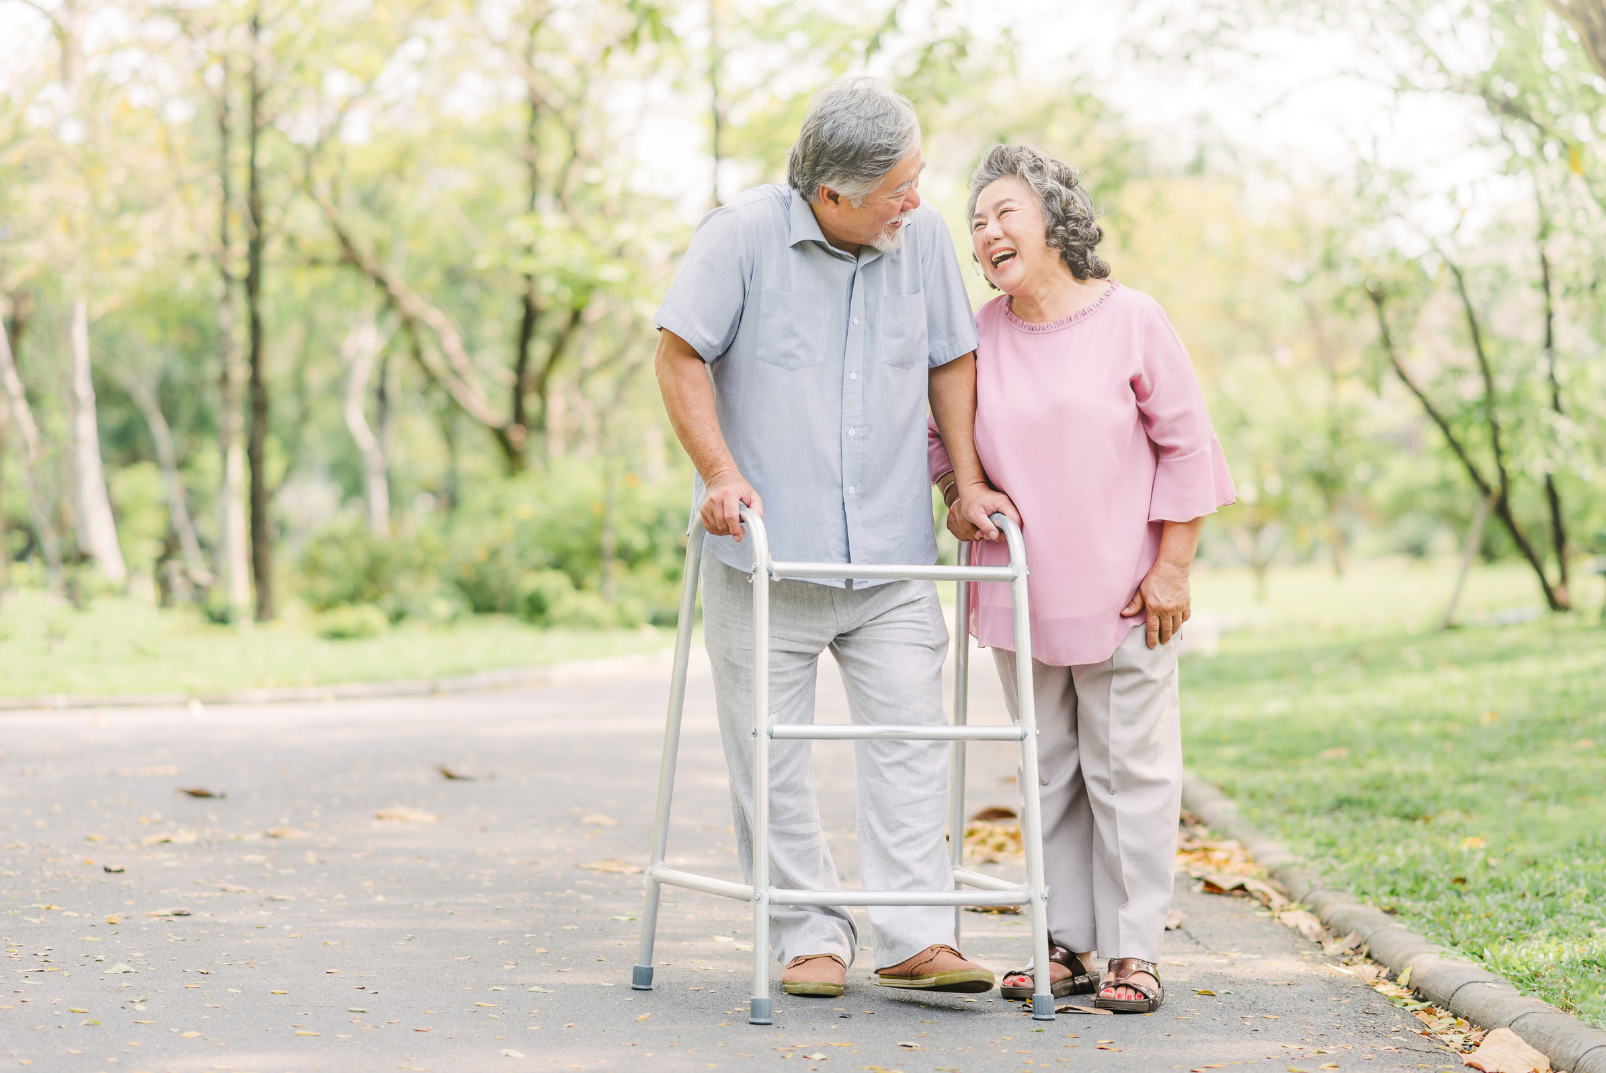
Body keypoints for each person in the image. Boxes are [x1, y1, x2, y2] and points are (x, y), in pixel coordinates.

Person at [653, 76, 1016, 1000]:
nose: (919, 200)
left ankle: (916, 935)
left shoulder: (921, 239)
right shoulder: (739, 236)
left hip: (891, 553)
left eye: (918, 176)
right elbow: (679, 351)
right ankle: (807, 932)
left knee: (911, 735)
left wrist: (965, 483)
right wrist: (718, 473)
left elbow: (951, 357)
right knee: (768, 753)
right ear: (832, 196)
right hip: (769, 556)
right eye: (899, 185)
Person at [928, 143, 1237, 1014]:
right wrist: (961, 490)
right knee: (1047, 769)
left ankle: (1135, 950)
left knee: (1129, 771)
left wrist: (1175, 566)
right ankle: (1063, 942)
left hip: (1128, 593)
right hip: (1019, 589)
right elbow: (940, 441)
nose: (986, 233)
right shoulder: (976, 334)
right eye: (977, 222)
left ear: (1055, 219)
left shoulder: (1132, 317)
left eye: (1003, 213)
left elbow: (1188, 446)